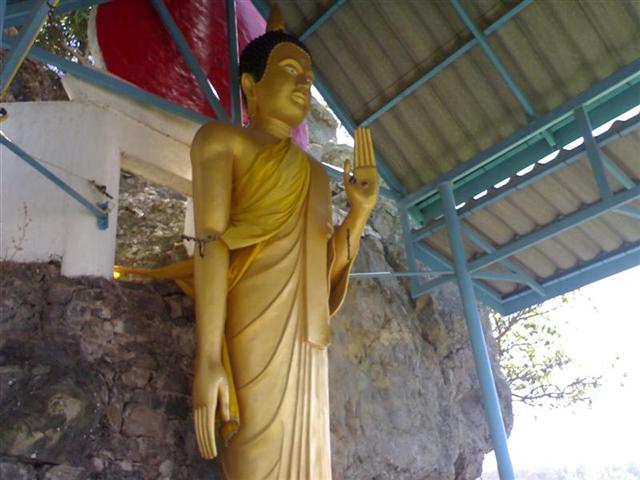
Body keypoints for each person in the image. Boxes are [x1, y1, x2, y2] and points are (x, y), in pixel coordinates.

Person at [189, 11, 379, 479]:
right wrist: (208, 356)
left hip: (309, 339)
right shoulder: (222, 140)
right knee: (255, 459)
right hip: (253, 322)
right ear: (250, 85)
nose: (302, 85)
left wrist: (359, 212)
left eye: (308, 79)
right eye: (290, 71)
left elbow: (326, 266)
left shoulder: (315, 174)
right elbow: (211, 242)